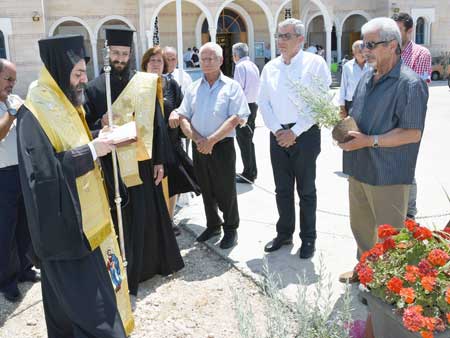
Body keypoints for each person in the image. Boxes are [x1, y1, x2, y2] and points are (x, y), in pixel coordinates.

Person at [16, 35, 131, 338]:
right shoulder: (35, 112)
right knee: (94, 319)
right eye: (78, 74)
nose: (83, 81)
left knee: (67, 318)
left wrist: (99, 135)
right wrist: (94, 149)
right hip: (64, 236)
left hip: (85, 226)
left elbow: (70, 146)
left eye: (83, 74)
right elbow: (44, 176)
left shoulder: (63, 102)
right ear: (57, 70)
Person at [84, 28, 184, 296]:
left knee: (148, 213)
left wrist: (160, 161)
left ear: (131, 54)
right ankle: (125, 271)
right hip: (113, 164)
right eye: (115, 53)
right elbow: (85, 128)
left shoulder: (143, 83)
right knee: (122, 216)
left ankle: (151, 266)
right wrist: (99, 124)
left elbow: (158, 124)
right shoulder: (94, 88)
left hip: (143, 160)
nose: (120, 58)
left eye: (124, 53)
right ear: (107, 53)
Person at [338, 18, 428, 283]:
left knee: (388, 236)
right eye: (363, 44)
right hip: (359, 167)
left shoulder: (410, 84)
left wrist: (369, 141)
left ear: (392, 45)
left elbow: (412, 133)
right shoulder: (367, 76)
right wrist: (345, 131)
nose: (364, 50)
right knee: (362, 227)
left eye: (370, 44)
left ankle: (385, 287)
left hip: (388, 173)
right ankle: (365, 271)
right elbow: (359, 115)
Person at [258, 18, 331, 259]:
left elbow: (320, 101)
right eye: (279, 35)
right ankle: (284, 233)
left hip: (305, 135)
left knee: (307, 190)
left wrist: (295, 131)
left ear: (301, 39)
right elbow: (264, 102)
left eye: (286, 36)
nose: (281, 41)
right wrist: (278, 131)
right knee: (282, 189)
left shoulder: (315, 63)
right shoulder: (270, 67)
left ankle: (308, 239)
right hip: (277, 136)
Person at [178, 42, 250, 249]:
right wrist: (198, 139)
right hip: (199, 145)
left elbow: (236, 118)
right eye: (203, 59)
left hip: (222, 146)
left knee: (226, 189)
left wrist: (211, 140)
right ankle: (213, 225)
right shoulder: (192, 88)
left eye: (211, 58)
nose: (207, 62)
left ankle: (230, 229)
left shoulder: (231, 87)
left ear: (220, 60)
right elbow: (183, 116)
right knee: (205, 187)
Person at [143, 46, 200, 235]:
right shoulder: (138, 85)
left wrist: (176, 111)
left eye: (159, 61)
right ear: (145, 63)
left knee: (173, 183)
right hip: (148, 146)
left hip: (171, 143)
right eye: (152, 60)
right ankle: (155, 222)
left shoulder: (171, 84)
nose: (156, 64)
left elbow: (182, 107)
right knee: (153, 183)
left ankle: (169, 219)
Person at [0, 59, 39, 303]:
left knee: (25, 224)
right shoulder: (12, 106)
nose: (13, 84)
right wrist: (13, 112)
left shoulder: (13, 101)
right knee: (5, 231)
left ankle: (25, 268)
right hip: (2, 175)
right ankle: (6, 280)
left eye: (14, 79)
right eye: (8, 79)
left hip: (22, 172)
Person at [392, 12, 432, 221]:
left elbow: (419, 90)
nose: (395, 36)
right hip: (387, 118)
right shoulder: (390, 51)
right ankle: (392, 207)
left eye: (399, 31)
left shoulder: (420, 54)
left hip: (410, 119)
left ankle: (409, 213)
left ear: (410, 30)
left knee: (407, 164)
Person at [232, 42, 260, 184]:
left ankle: (248, 173)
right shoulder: (253, 65)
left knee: (244, 141)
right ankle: (252, 171)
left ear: (236, 55)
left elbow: (238, 91)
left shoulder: (240, 67)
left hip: (244, 107)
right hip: (253, 105)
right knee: (248, 140)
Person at [338, 41, 370, 118]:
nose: (363, 53)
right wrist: (342, 107)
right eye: (360, 51)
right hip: (351, 103)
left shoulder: (372, 65)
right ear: (354, 53)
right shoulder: (347, 66)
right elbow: (343, 87)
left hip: (368, 102)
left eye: (364, 50)